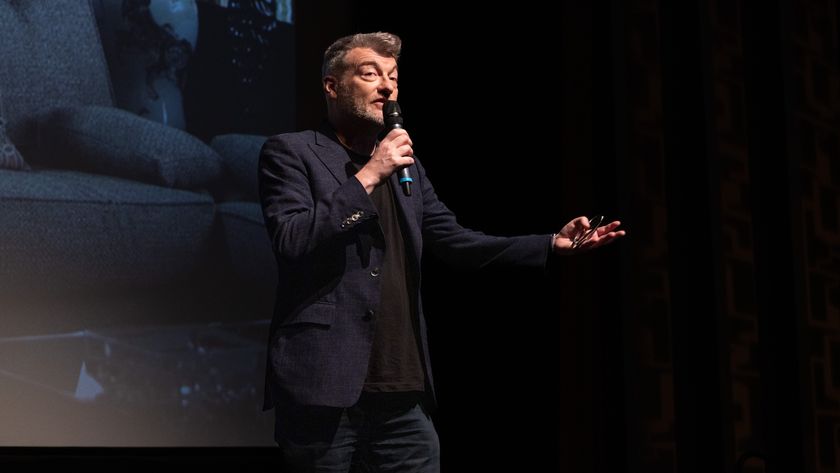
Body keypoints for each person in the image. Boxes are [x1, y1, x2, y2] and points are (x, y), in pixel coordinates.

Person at [258, 31, 625, 472]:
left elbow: (455, 241)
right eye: (370, 73)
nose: (387, 86)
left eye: (393, 76)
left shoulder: (406, 167)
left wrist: (549, 243)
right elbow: (293, 239)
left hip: (403, 392)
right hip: (323, 389)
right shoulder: (292, 152)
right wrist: (370, 174)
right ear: (332, 86)